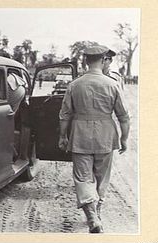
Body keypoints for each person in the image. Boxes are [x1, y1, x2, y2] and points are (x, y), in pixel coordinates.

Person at [58, 45, 130, 233]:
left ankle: (91, 215)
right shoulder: (112, 84)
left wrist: (62, 136)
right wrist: (124, 139)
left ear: (85, 61)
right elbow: (123, 116)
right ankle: (97, 210)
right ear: (103, 59)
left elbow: (65, 114)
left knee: (82, 177)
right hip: (105, 135)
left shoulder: (74, 84)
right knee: (101, 176)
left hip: (80, 135)